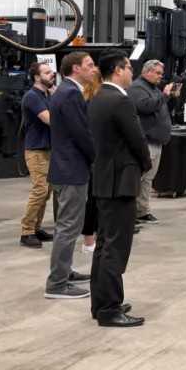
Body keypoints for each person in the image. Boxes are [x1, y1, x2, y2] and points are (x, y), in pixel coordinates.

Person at [87, 52, 152, 327]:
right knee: (116, 247)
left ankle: (101, 303)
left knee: (104, 244)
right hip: (120, 181)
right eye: (129, 68)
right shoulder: (120, 100)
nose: (131, 73)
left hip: (104, 179)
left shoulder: (97, 97)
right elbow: (137, 140)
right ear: (117, 70)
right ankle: (109, 309)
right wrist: (146, 164)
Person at [44, 51, 97, 299]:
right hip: (71, 169)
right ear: (76, 68)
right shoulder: (70, 94)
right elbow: (81, 133)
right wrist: (97, 158)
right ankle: (57, 284)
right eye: (89, 65)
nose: (93, 68)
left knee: (67, 226)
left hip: (65, 168)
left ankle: (64, 272)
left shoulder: (65, 91)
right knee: (68, 227)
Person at [128, 59, 177, 224]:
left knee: (148, 179)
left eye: (161, 73)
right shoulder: (137, 88)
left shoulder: (154, 89)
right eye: (157, 73)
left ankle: (142, 211)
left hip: (157, 141)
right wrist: (164, 95)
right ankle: (131, 212)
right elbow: (146, 107)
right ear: (147, 72)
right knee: (140, 178)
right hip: (146, 141)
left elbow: (161, 108)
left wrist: (172, 97)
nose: (160, 76)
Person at [19, 61, 56, 249]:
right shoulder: (33, 96)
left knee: (46, 191)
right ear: (36, 77)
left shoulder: (46, 94)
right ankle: (26, 232)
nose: (52, 74)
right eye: (47, 72)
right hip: (36, 150)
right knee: (40, 190)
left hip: (47, 148)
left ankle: (36, 227)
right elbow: (49, 119)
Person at [81, 71, 102, 252]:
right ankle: (89, 240)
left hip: (94, 154)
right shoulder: (93, 102)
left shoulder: (86, 100)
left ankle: (91, 238)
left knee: (94, 198)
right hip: (95, 155)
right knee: (93, 199)